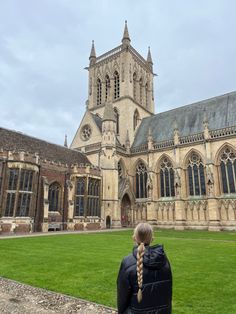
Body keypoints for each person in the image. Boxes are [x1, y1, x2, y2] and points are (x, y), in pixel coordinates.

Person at [117, 223, 172, 314]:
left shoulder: (127, 262)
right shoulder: (164, 261)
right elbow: (168, 294)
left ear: (134, 238)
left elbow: (122, 296)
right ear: (152, 239)